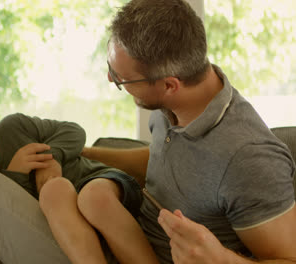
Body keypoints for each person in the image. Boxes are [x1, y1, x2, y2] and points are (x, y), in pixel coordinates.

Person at [81, 0, 296, 263]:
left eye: (121, 79)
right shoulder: (168, 104)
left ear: (170, 85)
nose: (110, 79)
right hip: (128, 238)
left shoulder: (249, 159)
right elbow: (165, 163)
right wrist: (84, 153)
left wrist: (222, 259)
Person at [0, 112, 158, 264]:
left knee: (92, 197)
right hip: (72, 226)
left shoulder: (12, 128)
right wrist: (16, 174)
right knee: (54, 193)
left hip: (104, 185)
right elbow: (25, 221)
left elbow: (73, 132)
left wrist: (53, 157)